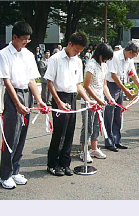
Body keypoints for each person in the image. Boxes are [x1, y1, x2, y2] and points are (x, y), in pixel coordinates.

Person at [0, 21, 46, 189]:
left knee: (22, 135)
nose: (25, 42)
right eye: (23, 39)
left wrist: (39, 100)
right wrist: (17, 103)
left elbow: (32, 80)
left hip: (27, 94)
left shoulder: (28, 55)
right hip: (13, 95)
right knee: (10, 136)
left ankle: (15, 170)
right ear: (14, 37)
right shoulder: (3, 54)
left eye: (28, 40)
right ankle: (4, 174)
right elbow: (7, 81)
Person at [44, 32, 94, 176]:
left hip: (72, 97)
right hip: (59, 96)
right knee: (59, 132)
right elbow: (49, 82)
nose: (77, 53)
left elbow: (78, 84)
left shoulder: (78, 61)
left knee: (70, 132)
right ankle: (52, 164)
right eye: (76, 50)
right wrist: (58, 102)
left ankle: (65, 164)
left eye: (80, 51)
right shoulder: (55, 59)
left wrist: (88, 99)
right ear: (70, 44)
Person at [104, 40, 139, 152]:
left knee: (118, 114)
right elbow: (113, 75)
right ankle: (109, 142)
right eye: (135, 53)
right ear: (131, 51)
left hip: (120, 86)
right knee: (109, 115)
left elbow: (133, 74)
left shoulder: (129, 60)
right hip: (111, 85)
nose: (135, 56)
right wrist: (125, 90)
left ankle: (117, 140)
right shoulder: (115, 56)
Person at [79, 43, 115, 163]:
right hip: (89, 102)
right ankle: (84, 151)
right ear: (100, 54)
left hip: (100, 102)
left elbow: (104, 85)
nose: (106, 60)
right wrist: (97, 100)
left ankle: (94, 148)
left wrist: (109, 98)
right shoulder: (91, 65)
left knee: (96, 126)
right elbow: (86, 86)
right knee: (87, 127)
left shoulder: (104, 65)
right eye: (105, 57)